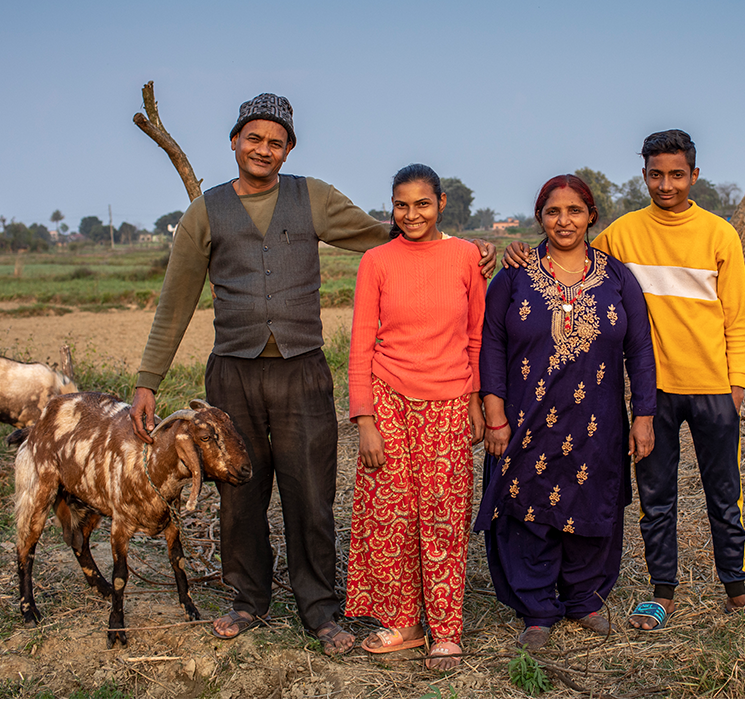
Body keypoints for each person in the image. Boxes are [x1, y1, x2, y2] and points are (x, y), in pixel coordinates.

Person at [128, 94, 492, 654]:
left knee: (311, 493)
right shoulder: (205, 211)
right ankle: (247, 598)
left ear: (289, 148)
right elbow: (176, 302)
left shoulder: (312, 197)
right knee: (239, 491)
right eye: (254, 138)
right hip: (234, 374)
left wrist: (464, 253)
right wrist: (148, 379)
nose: (263, 149)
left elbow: (389, 236)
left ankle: (320, 609)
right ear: (234, 141)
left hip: (302, 373)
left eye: (276, 142)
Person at [503, 130, 745, 631]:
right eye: (656, 174)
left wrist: (736, 384)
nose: (666, 184)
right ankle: (661, 593)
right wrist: (519, 252)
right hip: (653, 395)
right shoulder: (623, 234)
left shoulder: (720, 234)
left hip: (715, 388)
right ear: (644, 175)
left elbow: (737, 318)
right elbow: (569, 252)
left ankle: (737, 588)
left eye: (676, 175)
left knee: (725, 491)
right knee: (656, 496)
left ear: (694, 176)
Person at [477, 175, 656, 651]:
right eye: (554, 212)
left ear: (591, 216)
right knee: (528, 506)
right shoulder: (514, 275)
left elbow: (639, 348)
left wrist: (644, 415)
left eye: (575, 211)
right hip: (527, 416)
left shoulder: (617, 277)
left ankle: (584, 599)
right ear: (541, 218)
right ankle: (537, 609)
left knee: (591, 502)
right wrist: (494, 412)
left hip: (596, 421)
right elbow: (491, 343)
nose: (564, 221)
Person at [345, 164, 486, 671]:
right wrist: (364, 419)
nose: (411, 215)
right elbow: (361, 342)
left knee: (444, 516)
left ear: (441, 203)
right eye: (401, 205)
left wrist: (474, 400)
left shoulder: (466, 256)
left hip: (449, 401)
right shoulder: (377, 261)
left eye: (422, 204)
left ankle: (445, 629)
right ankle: (403, 622)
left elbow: (476, 337)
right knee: (391, 515)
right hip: (388, 400)